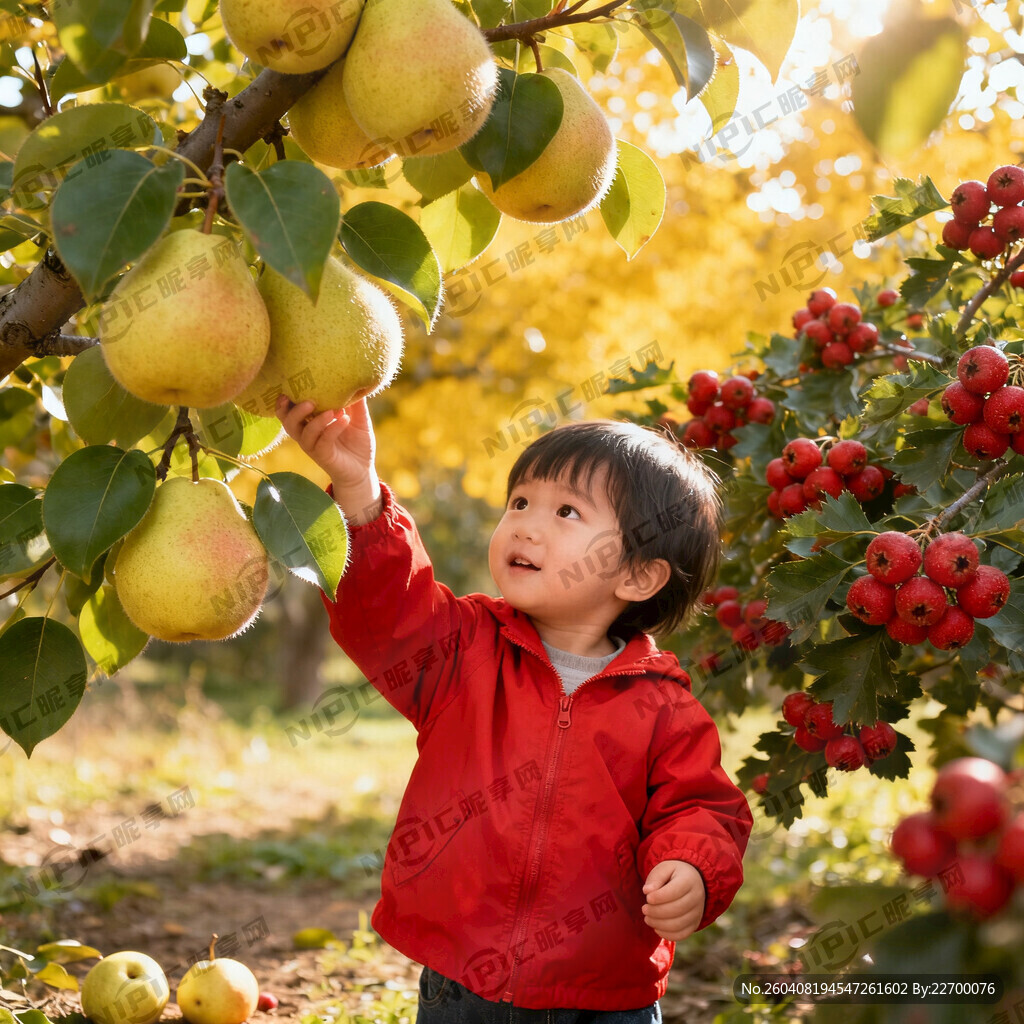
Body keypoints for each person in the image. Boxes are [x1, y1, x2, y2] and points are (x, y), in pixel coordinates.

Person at [276, 394, 753, 1023]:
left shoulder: (663, 707)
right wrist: (359, 487)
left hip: (604, 996)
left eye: (567, 512)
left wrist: (691, 867)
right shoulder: (463, 647)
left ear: (638, 577)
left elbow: (702, 809)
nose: (525, 524)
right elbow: (387, 614)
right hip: (462, 982)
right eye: (520, 502)